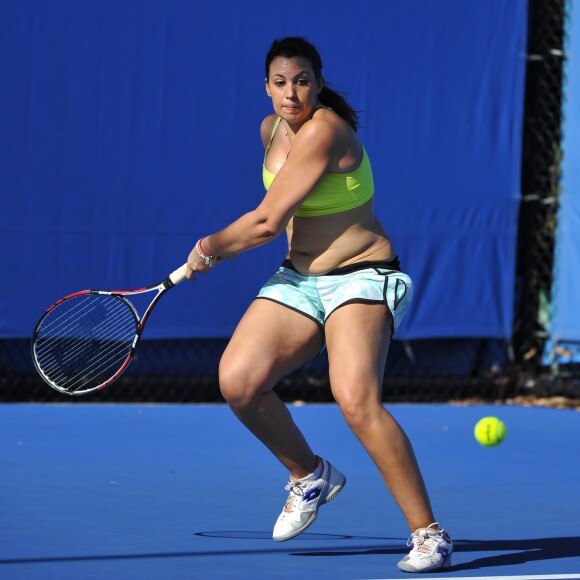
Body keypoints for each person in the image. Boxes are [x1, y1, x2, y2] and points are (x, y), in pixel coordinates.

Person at [185, 37, 453, 573]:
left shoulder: (326, 130)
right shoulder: (270, 131)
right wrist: (290, 259)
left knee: (355, 399)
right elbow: (285, 217)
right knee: (238, 381)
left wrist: (210, 248)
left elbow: (263, 221)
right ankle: (309, 476)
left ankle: (430, 534)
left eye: (302, 81)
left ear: (319, 81)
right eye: (280, 83)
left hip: (360, 278)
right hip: (301, 281)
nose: (291, 93)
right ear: (266, 87)